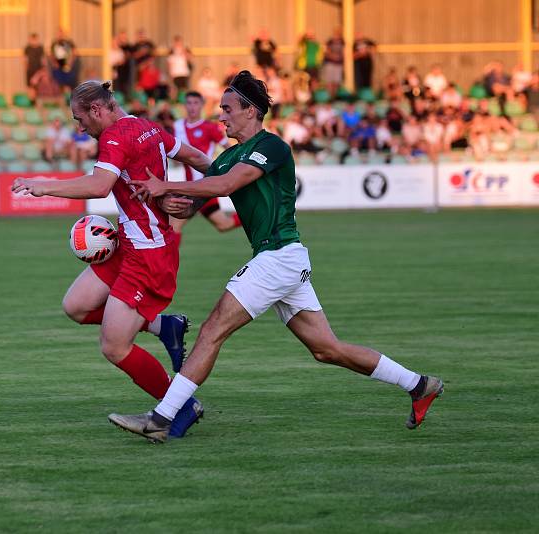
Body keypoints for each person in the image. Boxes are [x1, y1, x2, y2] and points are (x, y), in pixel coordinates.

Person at [107, 71, 444, 443]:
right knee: (326, 350)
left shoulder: (272, 147)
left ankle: (161, 418)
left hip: (279, 258)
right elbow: (195, 205)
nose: (221, 116)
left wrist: (167, 184)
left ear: (251, 111)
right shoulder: (228, 157)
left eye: (227, 109)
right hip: (285, 262)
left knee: (211, 330)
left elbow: (227, 185)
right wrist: (168, 199)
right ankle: (419, 384)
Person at [10, 80, 218, 438]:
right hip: (129, 242)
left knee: (114, 346)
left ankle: (178, 408)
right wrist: (198, 199)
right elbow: (200, 160)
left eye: (79, 119)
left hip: (147, 254)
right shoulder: (148, 126)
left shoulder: (115, 137)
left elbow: (98, 186)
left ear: (96, 110)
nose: (80, 127)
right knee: (76, 306)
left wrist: (44, 183)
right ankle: (163, 326)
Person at [172, 91, 239, 235]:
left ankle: (167, 259)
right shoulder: (177, 127)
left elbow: (230, 148)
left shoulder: (210, 127)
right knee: (224, 225)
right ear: (184, 105)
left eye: (196, 103)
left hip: (202, 187)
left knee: (173, 227)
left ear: (202, 105)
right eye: (189, 103)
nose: (192, 107)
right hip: (194, 186)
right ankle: (254, 213)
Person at [322, 28, 344, 97]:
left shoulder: (342, 41)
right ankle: (328, 96)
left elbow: (344, 52)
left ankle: (334, 96)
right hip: (330, 64)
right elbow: (325, 51)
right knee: (329, 81)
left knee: (336, 81)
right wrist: (333, 56)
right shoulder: (329, 41)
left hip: (338, 64)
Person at [24, 33, 45, 101]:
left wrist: (42, 70)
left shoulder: (40, 48)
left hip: (38, 70)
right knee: (30, 86)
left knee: (38, 86)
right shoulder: (27, 48)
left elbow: (43, 59)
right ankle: (31, 100)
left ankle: (38, 100)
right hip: (30, 70)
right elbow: (25, 59)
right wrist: (26, 68)